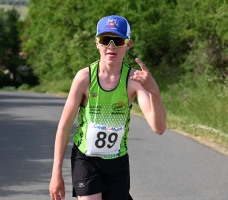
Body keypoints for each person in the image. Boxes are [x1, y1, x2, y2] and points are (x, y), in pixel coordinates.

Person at [49, 15, 166, 200]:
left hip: (117, 162)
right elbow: (63, 127)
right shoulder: (84, 78)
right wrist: (56, 174)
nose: (111, 46)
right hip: (86, 159)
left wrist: (154, 92)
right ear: (97, 43)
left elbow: (158, 128)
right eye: (105, 40)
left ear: (128, 44)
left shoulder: (134, 80)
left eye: (118, 40)